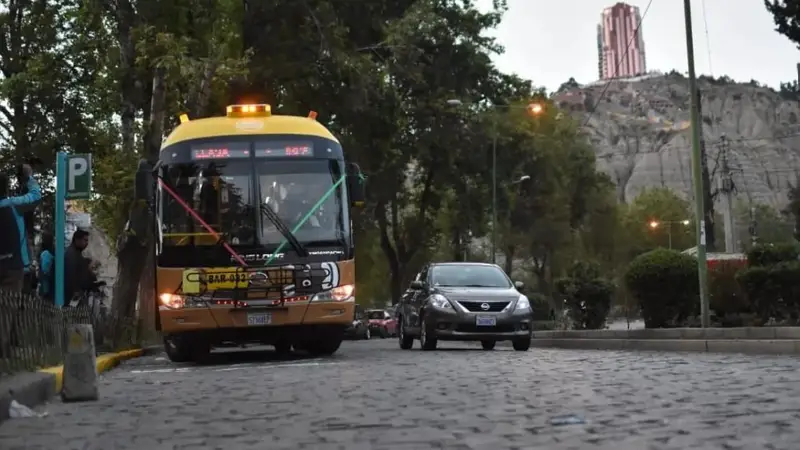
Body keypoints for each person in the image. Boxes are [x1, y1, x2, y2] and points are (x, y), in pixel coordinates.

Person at [0, 164, 41, 291]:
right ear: (6, 189)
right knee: (11, 302)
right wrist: (29, 177)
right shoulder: (14, 204)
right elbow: (35, 196)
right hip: (14, 267)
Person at [64, 229, 98, 305]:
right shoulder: (71, 255)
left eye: (87, 241)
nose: (87, 243)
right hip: (72, 297)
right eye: (85, 240)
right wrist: (76, 291)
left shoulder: (75, 253)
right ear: (77, 240)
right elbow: (71, 275)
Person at [38, 232, 55, 302]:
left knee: (46, 301)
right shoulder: (53, 251)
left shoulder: (45, 253)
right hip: (53, 282)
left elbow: (45, 270)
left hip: (46, 283)